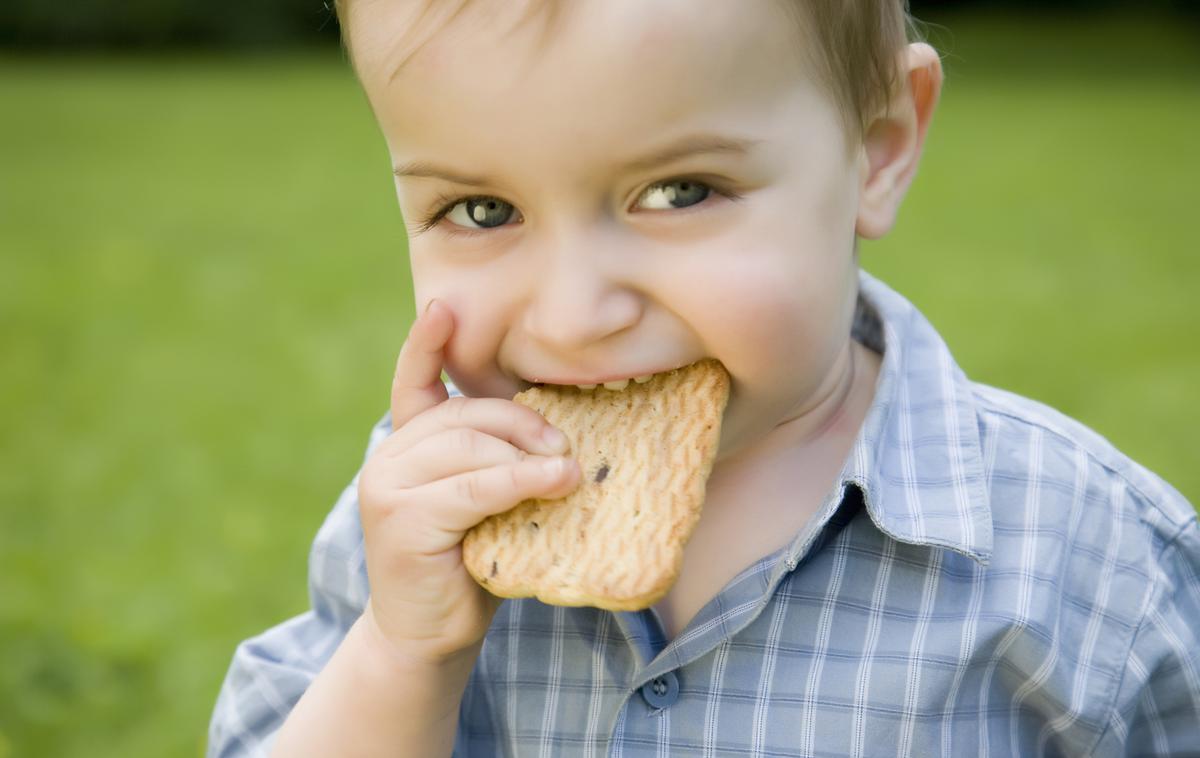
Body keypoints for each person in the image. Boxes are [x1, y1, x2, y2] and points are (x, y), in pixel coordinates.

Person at [208, 1, 1200, 755]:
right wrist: (398, 654)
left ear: (878, 147)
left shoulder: (1091, 556)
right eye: (479, 210)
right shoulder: (424, 517)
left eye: (680, 192)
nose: (572, 315)